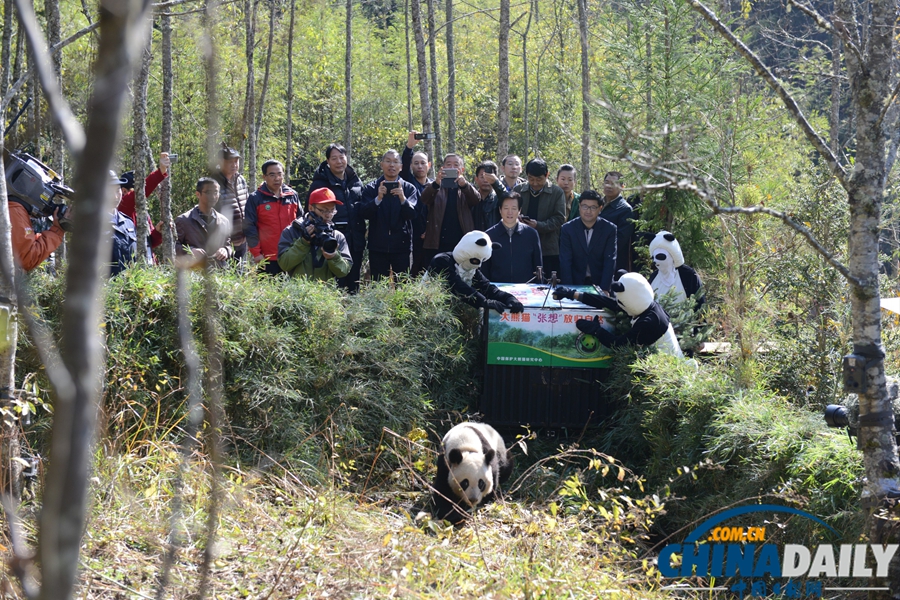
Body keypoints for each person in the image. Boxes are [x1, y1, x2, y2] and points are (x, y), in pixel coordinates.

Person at [308, 143, 365, 291]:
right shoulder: (320, 183)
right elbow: (310, 211)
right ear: (327, 161)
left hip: (355, 240)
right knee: (335, 283)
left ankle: (354, 312)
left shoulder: (355, 181)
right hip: (332, 240)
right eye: (334, 158)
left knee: (354, 281)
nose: (339, 162)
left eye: (341, 157)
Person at [426, 230, 525, 314]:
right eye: (475, 261)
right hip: (431, 310)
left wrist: (509, 298)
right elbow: (456, 286)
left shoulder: (472, 270)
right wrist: (483, 301)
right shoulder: (441, 261)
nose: (478, 265)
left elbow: (488, 288)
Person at [359, 150, 419, 280]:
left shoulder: (409, 189)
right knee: (379, 285)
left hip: (402, 246)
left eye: (395, 162)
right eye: (388, 161)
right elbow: (364, 213)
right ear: (381, 164)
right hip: (378, 245)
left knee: (403, 284)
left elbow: (413, 214)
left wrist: (403, 199)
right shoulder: (371, 188)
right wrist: (378, 199)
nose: (392, 165)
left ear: (401, 167)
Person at [420, 153, 481, 268]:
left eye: (456, 165)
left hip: (461, 242)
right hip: (437, 242)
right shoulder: (435, 186)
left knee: (460, 275)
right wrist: (436, 183)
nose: (452, 168)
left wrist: (464, 186)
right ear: (443, 168)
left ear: (461, 169)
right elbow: (424, 198)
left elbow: (476, 200)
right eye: (449, 164)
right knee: (437, 276)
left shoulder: (466, 187)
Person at [278, 187, 352, 281]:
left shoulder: (337, 236)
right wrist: (303, 243)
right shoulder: (292, 231)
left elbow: (344, 271)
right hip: (297, 291)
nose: (328, 215)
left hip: (326, 293)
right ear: (311, 208)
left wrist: (334, 257)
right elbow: (284, 264)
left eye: (332, 210)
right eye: (323, 210)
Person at [245, 160, 300, 275]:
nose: (277, 178)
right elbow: (250, 228)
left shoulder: (292, 196)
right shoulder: (255, 198)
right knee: (268, 291)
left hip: (292, 254)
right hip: (267, 257)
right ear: (264, 176)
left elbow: (301, 222)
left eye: (280, 174)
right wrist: (256, 253)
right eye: (272, 175)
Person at [513, 158, 566, 276]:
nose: (535, 183)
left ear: (547, 175)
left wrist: (538, 225)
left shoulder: (557, 192)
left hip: (548, 249)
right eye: (531, 179)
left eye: (539, 179)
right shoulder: (518, 190)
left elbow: (559, 219)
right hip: (523, 245)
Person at [558, 190, 617, 291]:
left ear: (600, 208)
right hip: (575, 282)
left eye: (593, 207)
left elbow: (610, 260)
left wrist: (605, 289)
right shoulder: (567, 229)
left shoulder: (609, 229)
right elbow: (565, 261)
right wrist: (569, 289)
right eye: (585, 206)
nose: (588, 211)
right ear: (579, 206)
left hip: (599, 282)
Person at [117, 151, 170, 256]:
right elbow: (142, 191)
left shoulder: (141, 211)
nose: (141, 195)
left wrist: (157, 232)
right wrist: (160, 172)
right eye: (135, 189)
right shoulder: (123, 205)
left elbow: (149, 243)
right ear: (124, 191)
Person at [482, 192, 542, 284]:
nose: (510, 212)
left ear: (519, 210)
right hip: (497, 290)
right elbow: (484, 269)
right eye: (506, 208)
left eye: (514, 208)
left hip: (526, 290)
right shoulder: (489, 235)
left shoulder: (531, 234)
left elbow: (538, 266)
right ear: (500, 210)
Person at [174, 177, 233, 268]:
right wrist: (191, 251)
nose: (213, 196)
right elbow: (173, 246)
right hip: (193, 274)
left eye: (216, 192)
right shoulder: (183, 220)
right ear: (198, 194)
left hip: (219, 273)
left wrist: (225, 250)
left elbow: (228, 245)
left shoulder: (224, 221)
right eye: (208, 192)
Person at [400, 132, 434, 275]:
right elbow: (405, 162)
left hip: (431, 238)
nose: (420, 166)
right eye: (416, 163)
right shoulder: (407, 183)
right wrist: (409, 147)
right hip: (411, 237)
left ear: (429, 165)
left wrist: (431, 231)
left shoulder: (435, 186)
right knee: (410, 274)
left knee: (429, 274)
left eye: (423, 163)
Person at [647, 231, 704, 311]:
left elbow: (699, 304)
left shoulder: (688, 276)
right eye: (653, 258)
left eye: (660, 256)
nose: (655, 261)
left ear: (672, 256)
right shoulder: (653, 278)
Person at [213, 143, 250, 260]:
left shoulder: (240, 180)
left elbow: (247, 205)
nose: (234, 165)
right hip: (223, 244)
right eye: (230, 162)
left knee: (241, 274)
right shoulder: (213, 182)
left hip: (243, 240)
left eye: (236, 161)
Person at [600, 171, 635, 271]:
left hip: (612, 262)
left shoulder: (625, 209)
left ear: (622, 186)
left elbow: (620, 240)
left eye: (613, 184)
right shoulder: (597, 204)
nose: (609, 186)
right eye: (606, 182)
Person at [108, 171, 139, 276]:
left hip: (129, 289)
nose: (115, 196)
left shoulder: (128, 222)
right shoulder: (91, 224)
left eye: (117, 191)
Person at [472, 160, 506, 232]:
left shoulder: (498, 199)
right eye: (482, 177)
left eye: (489, 177)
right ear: (476, 179)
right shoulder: (471, 198)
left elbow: (508, 199)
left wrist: (496, 183)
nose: (486, 180)